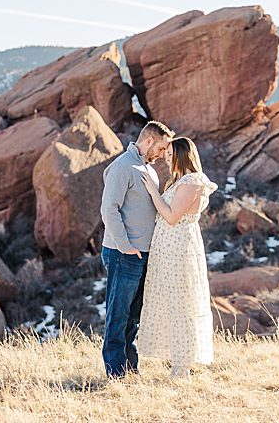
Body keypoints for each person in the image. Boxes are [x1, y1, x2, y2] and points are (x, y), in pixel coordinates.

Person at [137, 136, 218, 380]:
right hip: (168, 249)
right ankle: (177, 363)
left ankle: (182, 367)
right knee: (171, 302)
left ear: (183, 155)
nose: (166, 158)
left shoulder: (192, 181)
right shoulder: (179, 181)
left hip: (179, 249)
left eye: (171, 154)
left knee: (182, 303)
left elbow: (172, 216)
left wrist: (152, 191)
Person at [99, 120, 174, 378]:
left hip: (142, 255)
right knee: (118, 316)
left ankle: (130, 370)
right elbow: (109, 209)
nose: (163, 155)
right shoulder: (123, 166)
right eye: (162, 149)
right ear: (150, 141)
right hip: (124, 254)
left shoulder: (147, 170)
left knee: (133, 318)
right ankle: (115, 374)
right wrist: (125, 246)